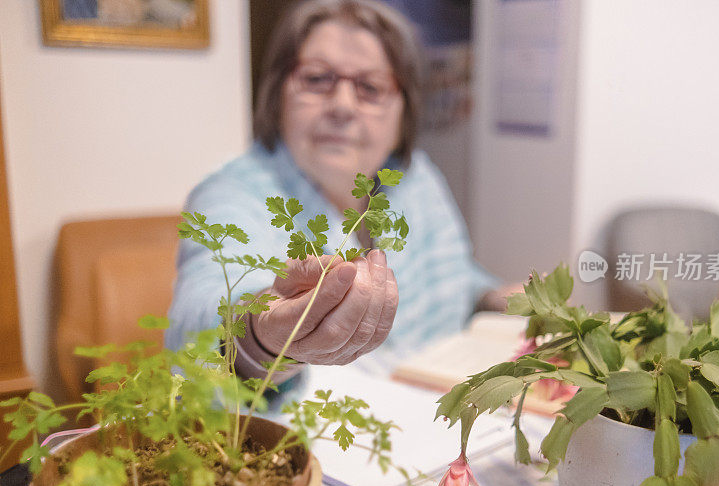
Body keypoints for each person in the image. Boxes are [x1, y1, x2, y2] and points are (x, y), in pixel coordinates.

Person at [166, 0, 508, 383]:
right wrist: (266, 333)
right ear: (278, 94)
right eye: (316, 79)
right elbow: (202, 310)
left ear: (404, 111)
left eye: (370, 87)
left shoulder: (415, 177)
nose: (343, 105)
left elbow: (451, 274)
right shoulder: (229, 193)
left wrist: (493, 298)